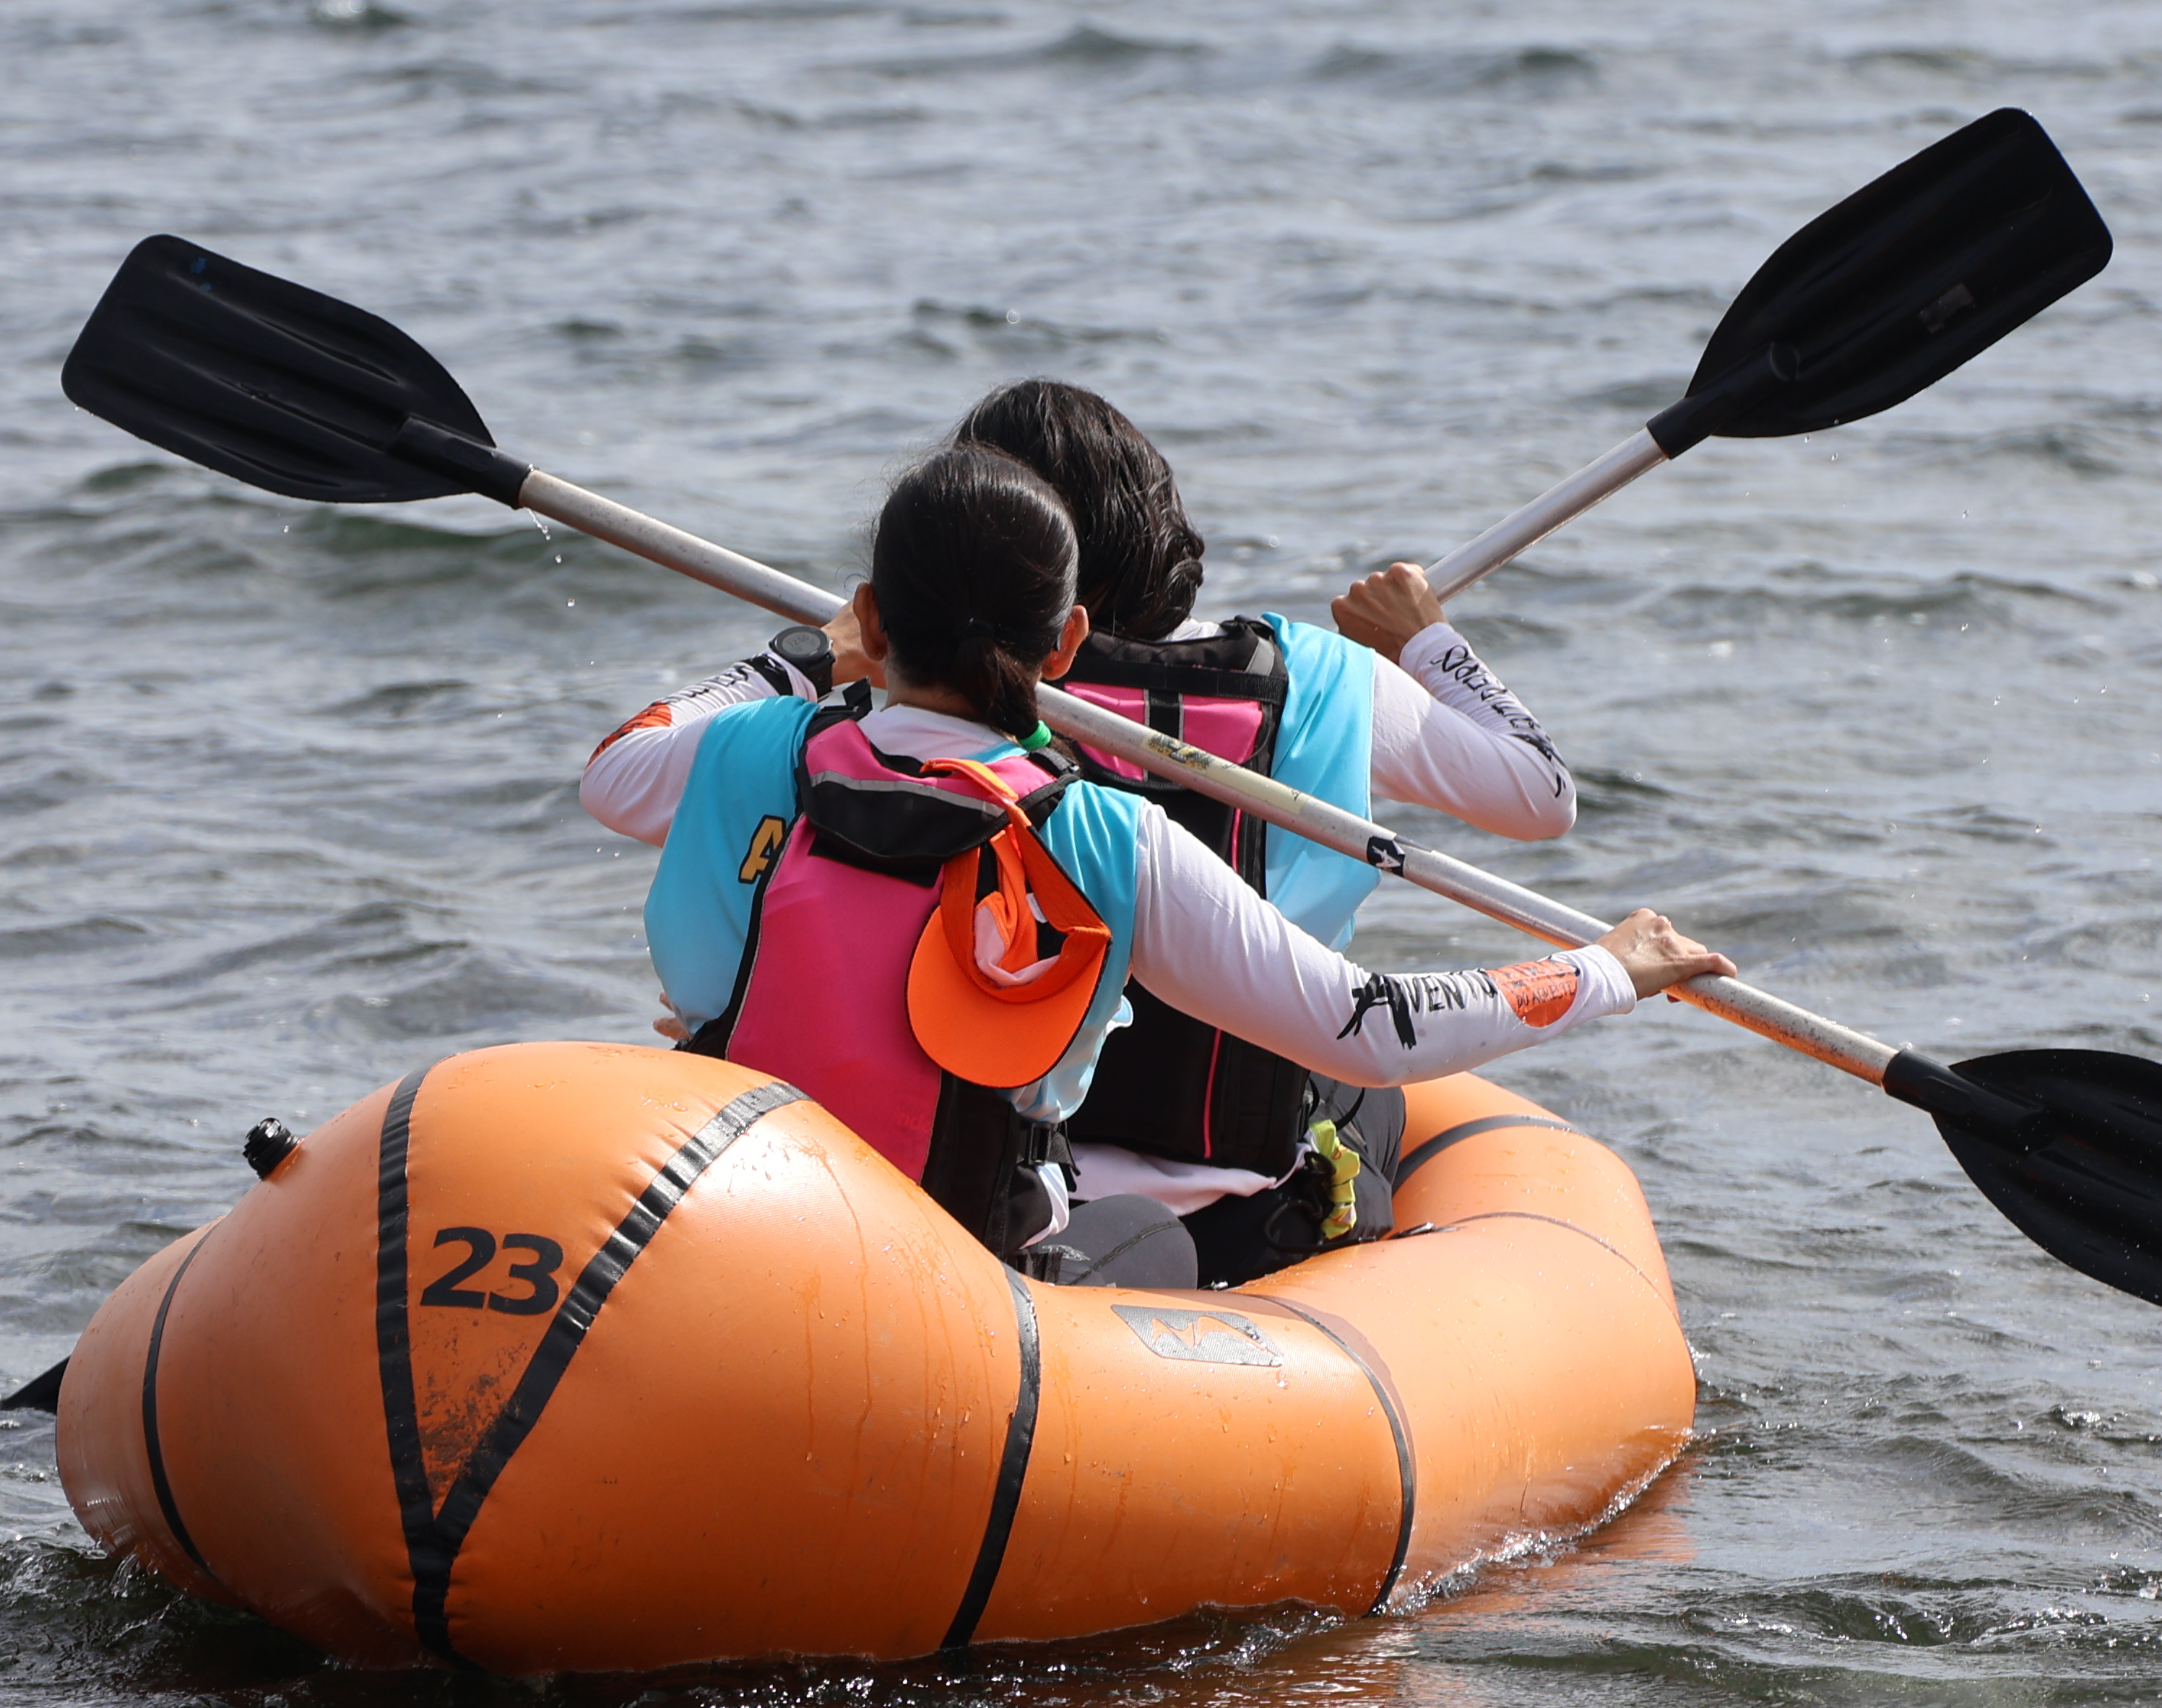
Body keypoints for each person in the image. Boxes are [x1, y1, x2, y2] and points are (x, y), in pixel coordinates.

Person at [580, 445, 1730, 1287]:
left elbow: (618, 765)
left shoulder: (755, 749)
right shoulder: (1104, 834)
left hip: (747, 1228)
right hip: (958, 1278)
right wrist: (1609, 968)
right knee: (1163, 1237)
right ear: (1070, 643)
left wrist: (798, 658)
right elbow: (1367, 1024)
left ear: (873, 619)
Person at [946, 380, 1578, 1282]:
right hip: (1258, 1179)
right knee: (1367, 1083)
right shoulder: (1326, 678)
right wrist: (1425, 640)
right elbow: (1543, 794)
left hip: (1018, 1171)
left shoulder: (961, 689)